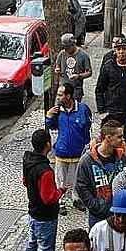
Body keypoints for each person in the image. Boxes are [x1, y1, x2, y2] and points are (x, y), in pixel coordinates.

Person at [23, 129, 64, 251]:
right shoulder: (45, 170)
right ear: (47, 144)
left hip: (32, 213)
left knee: (31, 248)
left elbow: (25, 182)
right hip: (45, 217)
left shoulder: (28, 160)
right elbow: (48, 198)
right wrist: (60, 191)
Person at [45, 82, 92, 215]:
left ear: (68, 96)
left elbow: (87, 127)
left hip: (79, 152)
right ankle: (60, 202)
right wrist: (49, 116)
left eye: (61, 95)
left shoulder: (83, 109)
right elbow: (51, 127)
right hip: (61, 151)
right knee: (60, 179)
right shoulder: (56, 111)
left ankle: (76, 199)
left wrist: (87, 145)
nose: (58, 97)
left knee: (77, 179)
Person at [75, 120, 126, 229]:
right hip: (98, 217)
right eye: (119, 137)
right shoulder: (87, 160)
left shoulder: (122, 157)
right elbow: (81, 186)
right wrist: (96, 206)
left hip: (119, 214)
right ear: (108, 138)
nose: (123, 140)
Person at [94, 37, 126, 123]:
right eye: (119, 49)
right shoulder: (108, 66)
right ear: (115, 51)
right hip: (111, 111)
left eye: (124, 49)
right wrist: (101, 110)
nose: (121, 52)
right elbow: (99, 89)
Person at [54, 33, 92, 104]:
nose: (66, 50)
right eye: (64, 47)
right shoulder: (62, 54)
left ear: (73, 45)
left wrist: (79, 76)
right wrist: (57, 69)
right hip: (63, 89)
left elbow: (89, 72)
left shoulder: (83, 56)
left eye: (67, 48)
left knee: (74, 109)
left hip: (76, 90)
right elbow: (57, 65)